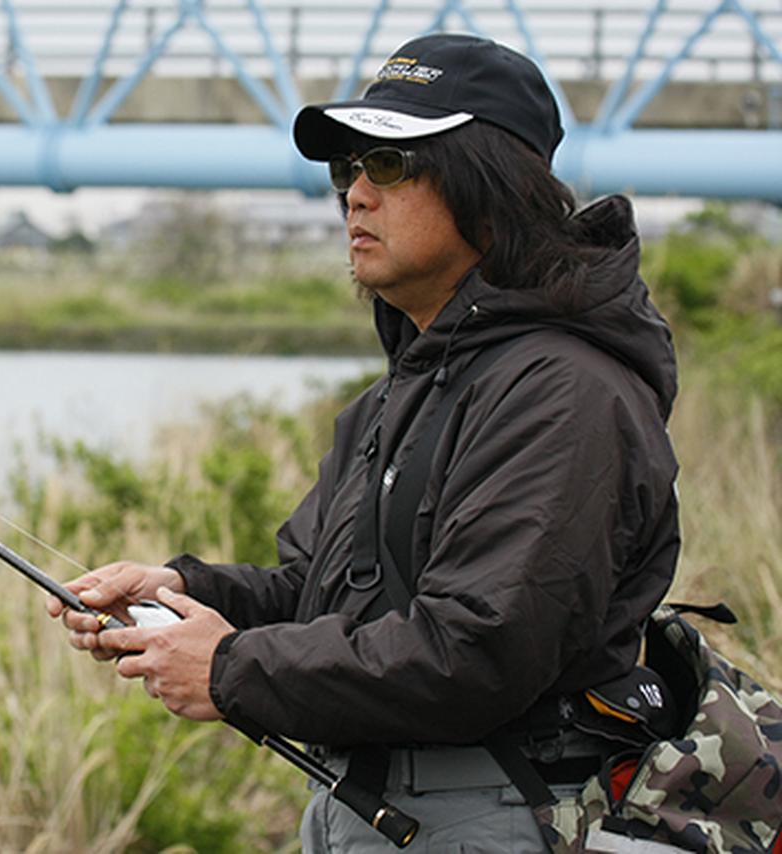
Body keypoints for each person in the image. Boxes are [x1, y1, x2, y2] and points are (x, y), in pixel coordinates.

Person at [47, 33, 680, 852]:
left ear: (490, 187)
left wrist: (230, 666)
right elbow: (321, 593)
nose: (354, 195)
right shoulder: (404, 389)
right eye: (347, 168)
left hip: (495, 815)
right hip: (366, 809)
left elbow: (475, 652)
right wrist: (178, 597)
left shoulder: (565, 393)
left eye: (388, 165)